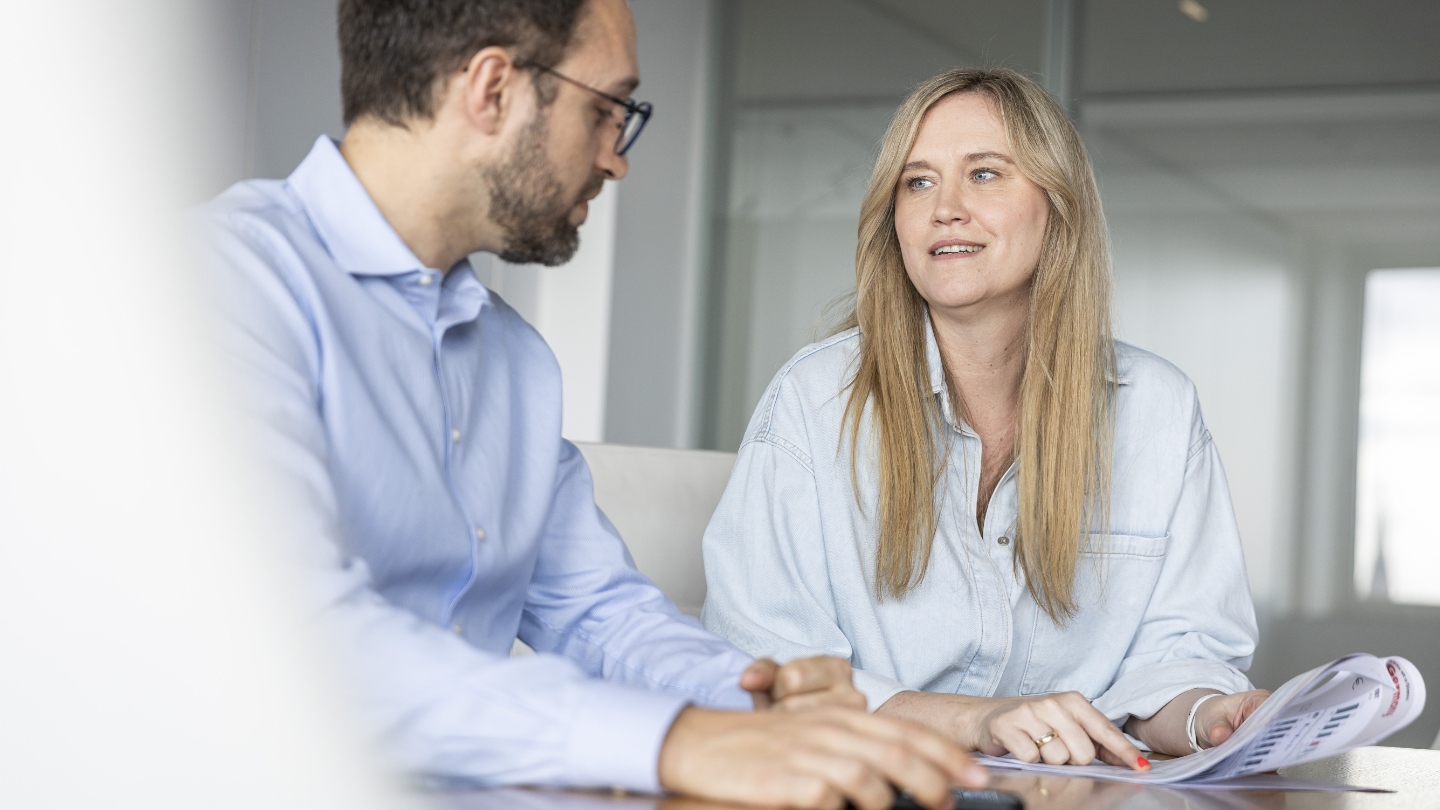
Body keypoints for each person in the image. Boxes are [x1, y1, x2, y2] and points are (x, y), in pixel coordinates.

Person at [193, 1, 988, 807]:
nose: (617, 159)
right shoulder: (217, 285)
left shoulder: (513, 360)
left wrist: (756, 702)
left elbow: (595, 611)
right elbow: (291, 639)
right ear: (492, 90)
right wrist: (674, 740)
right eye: (607, 109)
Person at [700, 67, 1272, 768]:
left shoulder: (1158, 408)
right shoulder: (813, 400)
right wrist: (977, 721)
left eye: (984, 174)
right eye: (917, 182)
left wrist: (1214, 717)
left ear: (1057, 206)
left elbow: (1174, 661)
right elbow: (762, 669)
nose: (945, 208)